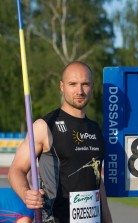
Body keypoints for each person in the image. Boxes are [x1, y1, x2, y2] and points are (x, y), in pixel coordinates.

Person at [8, 61, 112, 223]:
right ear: (62, 86)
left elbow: (98, 181)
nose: (79, 91)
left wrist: (107, 219)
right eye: (73, 84)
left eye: (85, 84)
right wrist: (26, 193)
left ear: (92, 86)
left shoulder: (95, 129)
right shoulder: (45, 126)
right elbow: (16, 169)